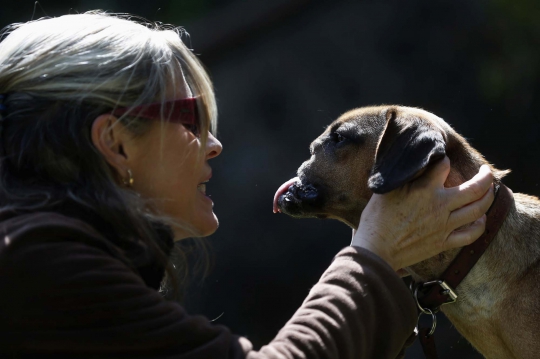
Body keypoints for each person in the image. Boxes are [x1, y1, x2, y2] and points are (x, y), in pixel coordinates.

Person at [0, 12, 494, 359]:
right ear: (115, 142)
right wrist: (375, 256)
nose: (213, 144)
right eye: (191, 118)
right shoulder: (36, 259)